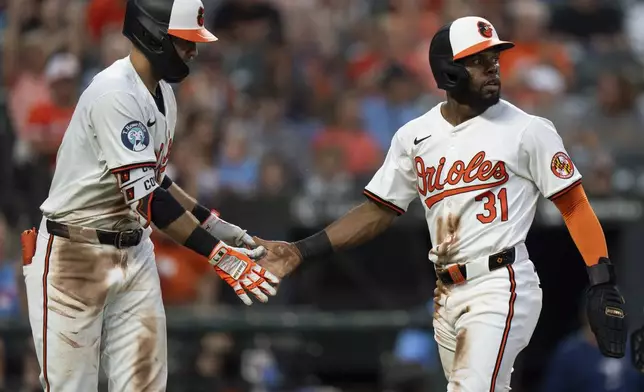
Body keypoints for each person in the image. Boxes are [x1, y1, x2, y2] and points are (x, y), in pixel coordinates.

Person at [254, 16, 627, 391]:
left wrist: (601, 277)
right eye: (478, 60)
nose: (493, 67)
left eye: (493, 58)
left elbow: (574, 205)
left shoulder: (528, 130)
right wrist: (302, 251)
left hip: (501, 281)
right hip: (446, 292)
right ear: (448, 70)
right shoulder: (415, 136)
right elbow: (378, 209)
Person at [20, 0, 279, 391]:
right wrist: (218, 254)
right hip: (75, 254)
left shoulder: (163, 96)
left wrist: (214, 224)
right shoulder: (113, 92)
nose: (193, 50)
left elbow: (155, 180)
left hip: (134, 251)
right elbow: (146, 198)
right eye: (183, 41)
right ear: (152, 34)